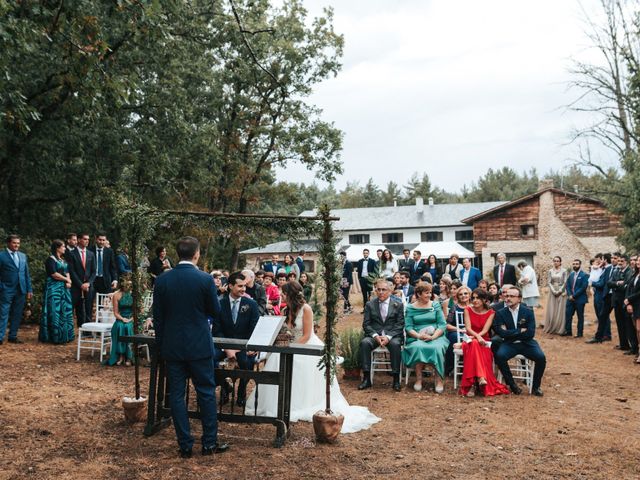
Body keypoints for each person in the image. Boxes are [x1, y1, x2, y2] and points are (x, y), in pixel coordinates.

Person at [246, 282, 380, 433]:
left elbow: (307, 335)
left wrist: (292, 349)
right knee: (277, 364)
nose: (280, 294)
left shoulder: (306, 309)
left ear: (290, 293)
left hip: (305, 345)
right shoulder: (285, 309)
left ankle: (302, 404)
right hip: (288, 345)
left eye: (283, 292)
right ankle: (277, 404)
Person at [152, 236, 226, 458]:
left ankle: (184, 445)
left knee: (176, 395)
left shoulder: (163, 280)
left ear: (177, 253)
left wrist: (163, 346)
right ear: (196, 254)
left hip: (173, 347)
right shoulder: (205, 280)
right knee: (205, 392)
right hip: (199, 346)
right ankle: (209, 443)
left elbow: (158, 319)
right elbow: (215, 312)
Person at [213, 272, 260, 407]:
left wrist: (244, 347)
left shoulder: (251, 304)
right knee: (211, 359)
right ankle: (225, 386)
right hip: (223, 345)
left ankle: (241, 392)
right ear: (230, 286)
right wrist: (227, 348)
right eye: (240, 286)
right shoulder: (219, 304)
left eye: (245, 286)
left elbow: (254, 329)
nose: (243, 289)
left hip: (243, 346)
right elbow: (216, 330)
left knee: (248, 362)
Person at [493, 287, 546, 396]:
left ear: (519, 299)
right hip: (509, 344)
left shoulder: (528, 312)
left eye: (512, 296)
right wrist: (519, 331)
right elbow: (501, 333)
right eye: (507, 296)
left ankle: (536, 387)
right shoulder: (500, 313)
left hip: (526, 343)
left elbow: (530, 333)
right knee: (500, 356)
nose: (508, 298)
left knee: (541, 358)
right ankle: (512, 385)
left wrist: (510, 332)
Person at [457, 289, 509, 397]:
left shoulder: (491, 312)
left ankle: (472, 385)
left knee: (477, 346)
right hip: (470, 339)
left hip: (484, 340)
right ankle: (481, 377)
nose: (475, 300)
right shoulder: (467, 309)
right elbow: (468, 328)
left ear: (484, 299)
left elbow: (486, 330)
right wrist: (477, 337)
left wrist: (479, 338)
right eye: (473, 298)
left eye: (478, 298)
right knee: (475, 344)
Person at [358, 279, 405, 392]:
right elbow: (366, 324)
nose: (380, 292)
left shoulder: (397, 304)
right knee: (365, 343)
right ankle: (366, 378)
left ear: (390, 291)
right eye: (378, 289)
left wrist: (388, 337)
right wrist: (375, 336)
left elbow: (400, 324)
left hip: (392, 336)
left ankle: (395, 379)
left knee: (395, 345)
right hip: (375, 335)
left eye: (383, 290)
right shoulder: (370, 304)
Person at [402, 283, 448, 393]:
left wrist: (433, 337)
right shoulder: (410, 308)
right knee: (418, 347)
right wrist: (419, 336)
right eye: (426, 293)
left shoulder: (435, 305)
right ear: (418, 294)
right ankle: (418, 379)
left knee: (437, 348)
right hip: (417, 337)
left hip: (436, 336)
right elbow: (408, 327)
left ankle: (439, 379)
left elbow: (442, 324)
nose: (429, 295)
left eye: (430, 292)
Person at [38, 239, 74, 344]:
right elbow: (53, 274)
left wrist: (69, 280)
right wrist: (66, 279)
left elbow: (67, 271)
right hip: (53, 289)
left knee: (65, 310)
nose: (65, 248)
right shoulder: (51, 259)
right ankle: (54, 337)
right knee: (54, 311)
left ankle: (65, 336)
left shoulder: (63, 260)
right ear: (57, 248)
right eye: (63, 246)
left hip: (64, 289)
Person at [0, 235, 33, 345]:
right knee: (3, 313)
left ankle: (13, 336)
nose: (17, 245)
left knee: (17, 313)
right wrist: (2, 287)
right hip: (6, 290)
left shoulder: (23, 256)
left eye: (18, 243)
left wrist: (29, 289)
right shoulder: (1, 256)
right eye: (14, 243)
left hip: (21, 289)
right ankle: (0, 337)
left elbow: (26, 274)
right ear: (8, 243)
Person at [105, 277, 135, 366]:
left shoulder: (134, 294)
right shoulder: (116, 295)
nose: (128, 286)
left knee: (128, 327)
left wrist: (130, 319)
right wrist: (122, 319)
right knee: (119, 326)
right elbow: (115, 312)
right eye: (126, 284)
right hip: (120, 317)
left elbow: (137, 312)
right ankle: (121, 355)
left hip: (132, 318)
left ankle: (129, 356)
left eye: (130, 284)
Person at [67, 233, 96, 328]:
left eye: (88, 239)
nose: (87, 241)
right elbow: (72, 271)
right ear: (79, 240)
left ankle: (87, 330)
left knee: (88, 308)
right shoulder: (71, 254)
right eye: (84, 239)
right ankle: (71, 330)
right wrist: (80, 285)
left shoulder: (91, 254)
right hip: (76, 286)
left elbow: (94, 271)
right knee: (76, 308)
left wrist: (88, 283)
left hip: (88, 286)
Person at [444, 285, 471, 376]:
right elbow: (447, 325)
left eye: (465, 293)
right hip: (455, 332)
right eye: (460, 294)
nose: (463, 295)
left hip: (471, 333)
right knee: (455, 337)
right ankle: (450, 367)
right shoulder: (455, 308)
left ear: (469, 295)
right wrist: (459, 329)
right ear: (458, 296)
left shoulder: (474, 307)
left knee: (470, 340)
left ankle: (467, 369)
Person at [608, 254, 633, 351]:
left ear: (626, 262)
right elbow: (609, 283)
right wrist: (618, 283)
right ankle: (623, 344)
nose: (620, 263)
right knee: (619, 323)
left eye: (622, 261)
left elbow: (625, 286)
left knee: (627, 324)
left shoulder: (629, 272)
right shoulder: (615, 271)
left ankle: (631, 346)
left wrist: (616, 284)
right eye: (619, 261)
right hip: (616, 301)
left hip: (625, 301)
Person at [589, 253, 614, 343]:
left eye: (601, 259)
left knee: (603, 315)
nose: (599, 261)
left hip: (601, 294)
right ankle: (603, 333)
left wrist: (593, 284)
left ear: (604, 260)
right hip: (598, 294)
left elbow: (602, 283)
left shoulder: (608, 269)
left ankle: (606, 334)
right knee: (600, 315)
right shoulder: (603, 269)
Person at [562, 259, 589, 338]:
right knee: (568, 315)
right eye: (573, 264)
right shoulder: (571, 274)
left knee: (580, 316)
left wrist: (574, 296)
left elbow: (583, 287)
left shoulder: (584, 275)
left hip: (580, 299)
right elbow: (567, 286)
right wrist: (570, 295)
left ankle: (580, 333)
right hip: (570, 299)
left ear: (580, 265)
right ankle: (568, 331)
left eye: (577, 264)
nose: (575, 265)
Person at [544, 256, 568, 335]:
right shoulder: (550, 271)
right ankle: (552, 327)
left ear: (560, 262)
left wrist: (560, 291)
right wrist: (554, 290)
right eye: (554, 261)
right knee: (552, 309)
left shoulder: (564, 271)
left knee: (560, 309)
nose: (556, 262)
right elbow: (549, 282)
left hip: (561, 291)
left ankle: (560, 328)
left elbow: (565, 282)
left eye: (557, 261)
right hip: (552, 291)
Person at [624, 261, 640, 363]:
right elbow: (629, 288)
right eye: (638, 261)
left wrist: (629, 299)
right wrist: (628, 303)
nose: (638, 262)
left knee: (639, 329)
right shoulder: (635, 274)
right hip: (634, 305)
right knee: (637, 330)